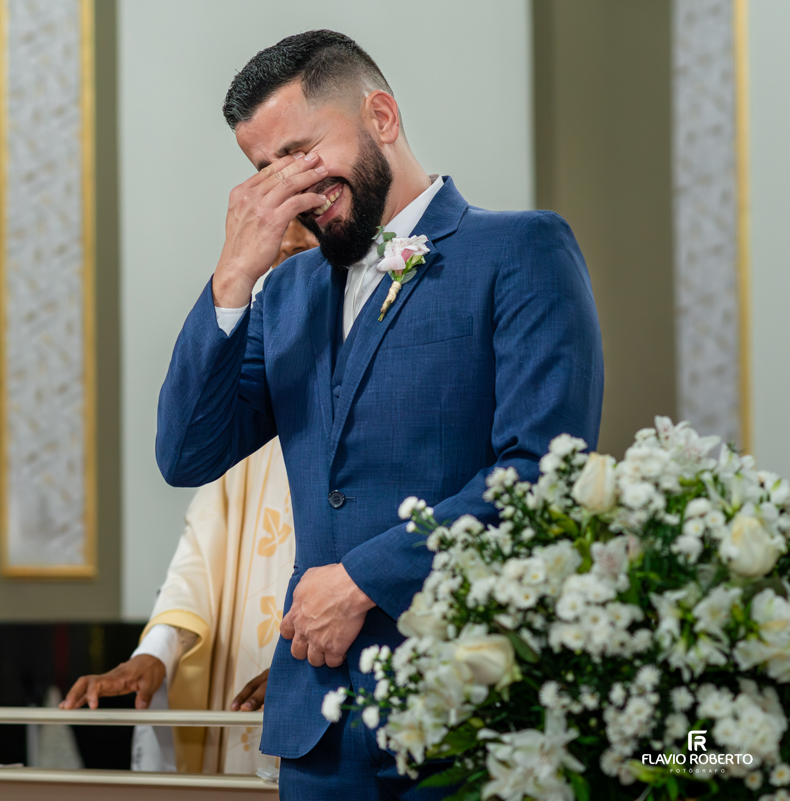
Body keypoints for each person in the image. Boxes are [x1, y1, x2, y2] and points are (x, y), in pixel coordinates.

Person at [155, 30, 604, 800]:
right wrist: (233, 277)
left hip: (469, 711)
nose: (287, 184)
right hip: (318, 732)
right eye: (264, 169)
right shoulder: (285, 294)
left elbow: (542, 474)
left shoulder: (520, 251)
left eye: (301, 152)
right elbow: (185, 452)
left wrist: (364, 577)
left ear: (382, 117)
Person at [60, 221, 318, 776]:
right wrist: (153, 653)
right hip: (243, 679)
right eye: (282, 229)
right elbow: (199, 558)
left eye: (308, 226)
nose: (291, 242)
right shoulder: (246, 400)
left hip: (329, 669)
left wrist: (312, 668)